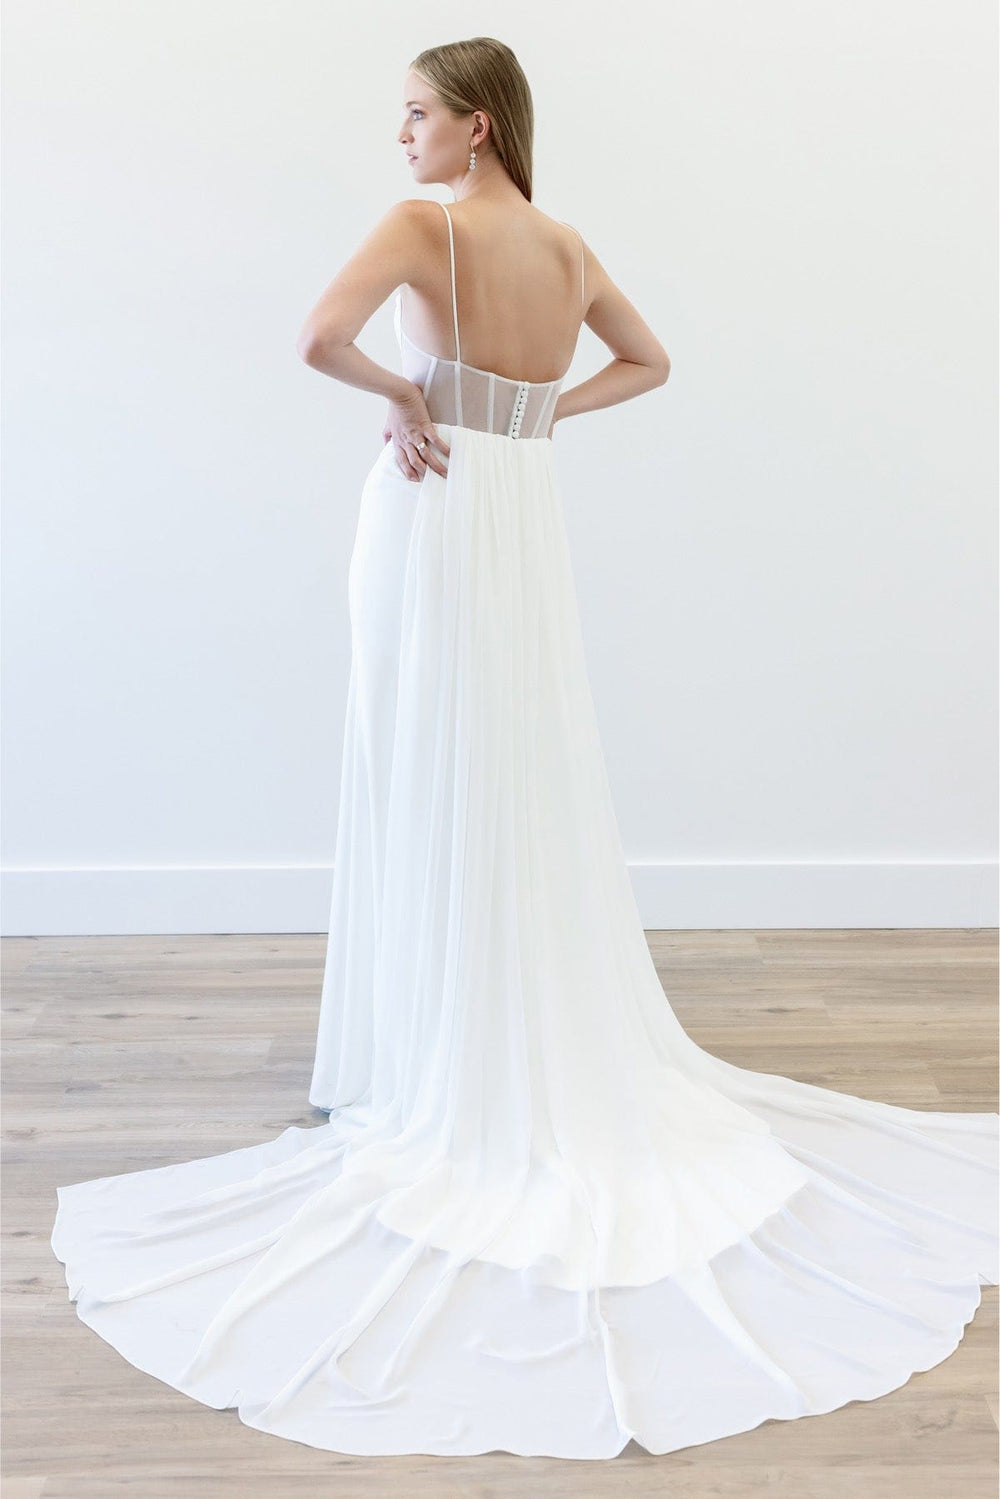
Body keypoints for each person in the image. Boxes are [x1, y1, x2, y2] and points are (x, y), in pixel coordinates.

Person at [51, 37, 998, 1462]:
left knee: (422, 752)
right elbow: (653, 362)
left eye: (417, 114)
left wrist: (401, 393)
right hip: (524, 502)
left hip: (432, 513)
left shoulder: (427, 227)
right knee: (514, 761)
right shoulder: (561, 240)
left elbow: (315, 336)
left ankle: (410, 1056)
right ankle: (476, 1034)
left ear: (475, 124)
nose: (403, 138)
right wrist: (530, 411)